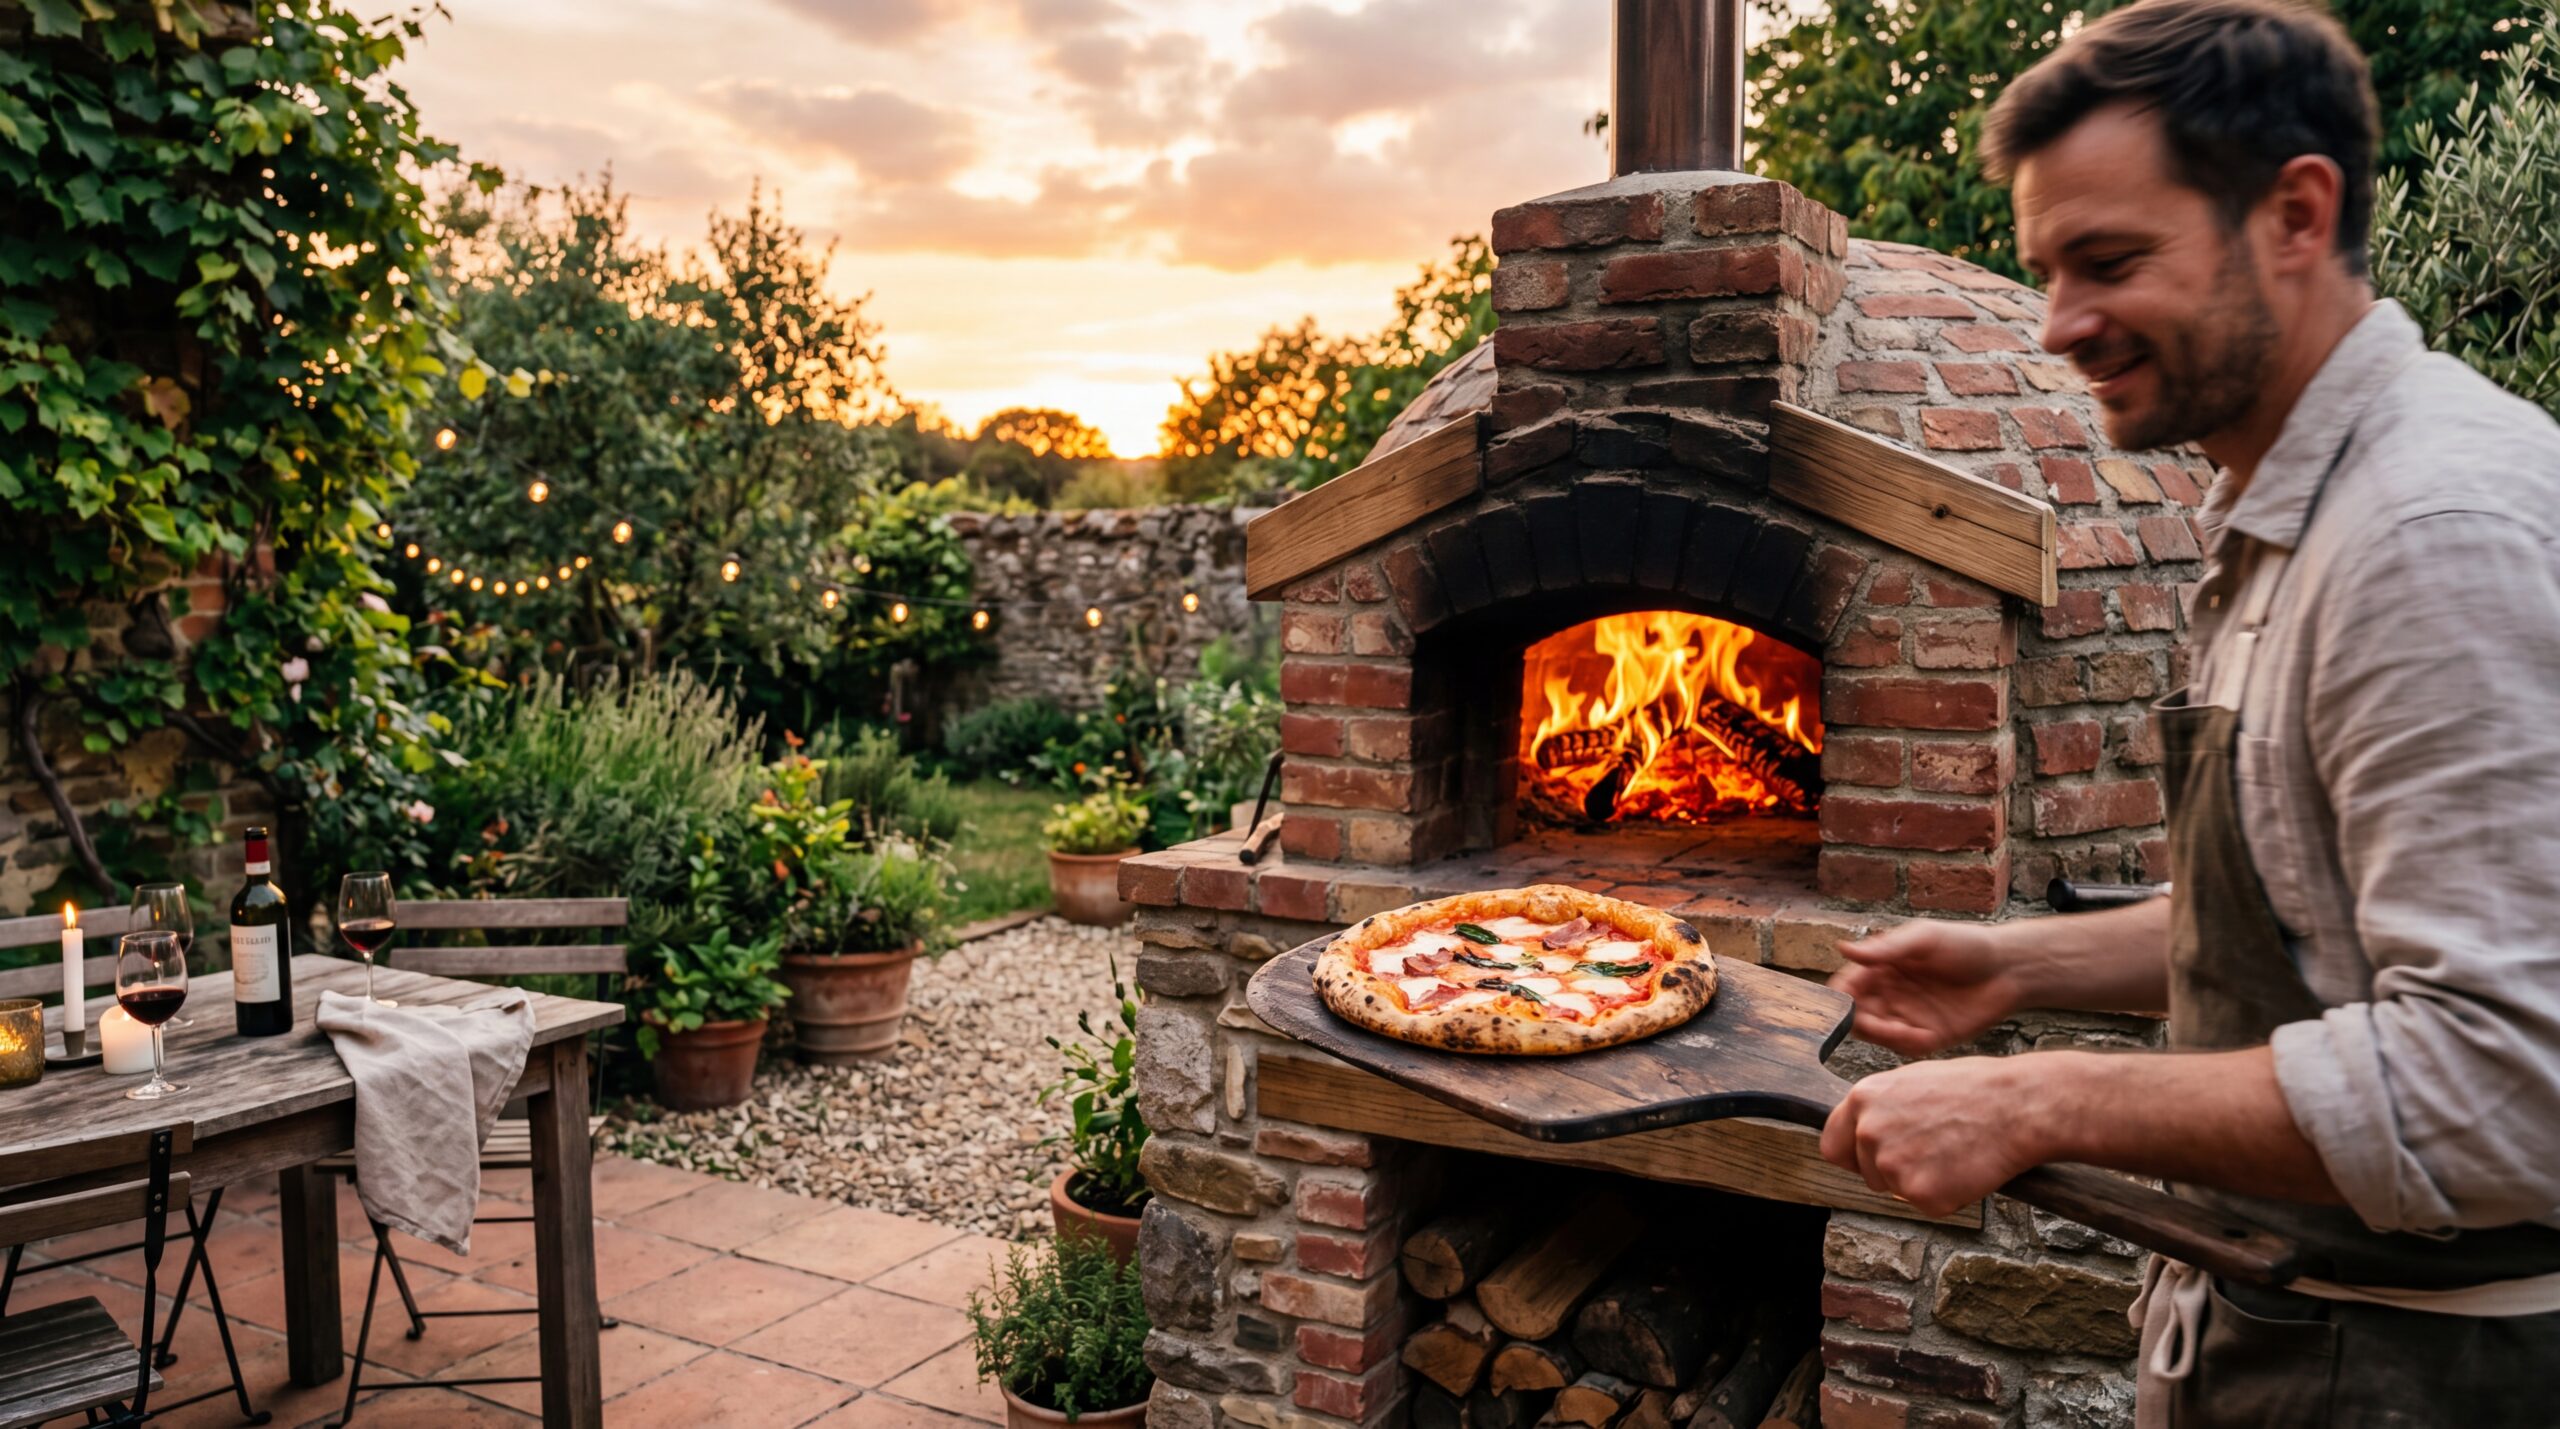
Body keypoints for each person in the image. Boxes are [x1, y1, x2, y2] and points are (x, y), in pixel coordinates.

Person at [1811, 1, 2560, 1423]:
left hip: (2428, 1374)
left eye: (2109, 262)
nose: (2060, 327)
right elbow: (2305, 906)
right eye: (2045, 272)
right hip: (2291, 1332)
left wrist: (2040, 1099)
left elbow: (2510, 1080)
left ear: (2295, 212)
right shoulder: (2290, 510)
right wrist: (2018, 963)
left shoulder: (2428, 531)